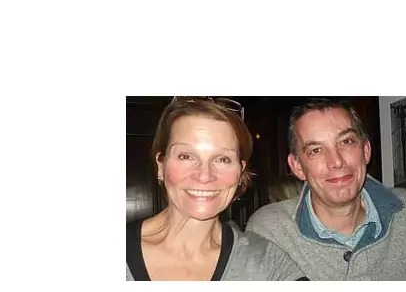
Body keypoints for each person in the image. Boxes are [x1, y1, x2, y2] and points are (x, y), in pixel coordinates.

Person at [246, 98, 406, 281]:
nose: (336, 161)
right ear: (297, 167)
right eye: (316, 150)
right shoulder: (269, 232)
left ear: (366, 151)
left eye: (346, 141)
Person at [126, 97, 307, 281]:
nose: (204, 176)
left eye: (223, 159)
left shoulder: (267, 263)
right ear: (161, 166)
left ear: (240, 172)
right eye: (186, 156)